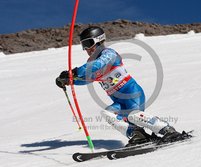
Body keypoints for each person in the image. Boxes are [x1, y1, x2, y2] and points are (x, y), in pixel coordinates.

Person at [56, 26, 188, 146]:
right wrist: (69, 80)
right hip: (118, 100)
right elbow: (87, 79)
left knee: (133, 115)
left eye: (88, 43)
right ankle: (137, 134)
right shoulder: (91, 62)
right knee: (107, 113)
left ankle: (166, 129)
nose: (86, 49)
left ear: (99, 40)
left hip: (132, 94)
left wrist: (74, 72)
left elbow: (96, 65)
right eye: (83, 45)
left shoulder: (109, 54)